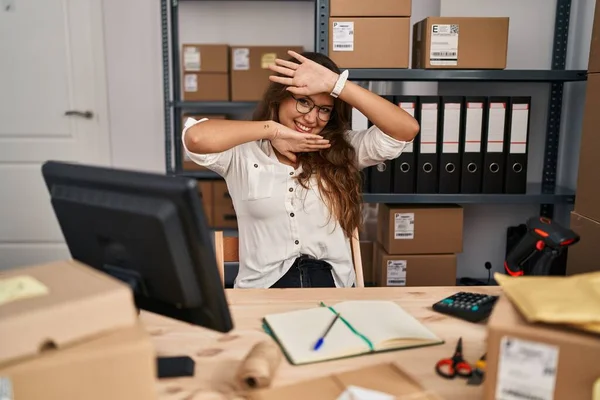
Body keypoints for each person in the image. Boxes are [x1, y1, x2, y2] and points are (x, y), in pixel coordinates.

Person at [182, 50, 419, 289]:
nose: (312, 118)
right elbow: (196, 138)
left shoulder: (341, 149)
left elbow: (405, 129)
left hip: (331, 290)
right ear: (280, 98)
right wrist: (272, 131)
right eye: (304, 101)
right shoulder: (243, 152)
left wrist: (337, 84)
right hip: (262, 292)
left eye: (324, 109)